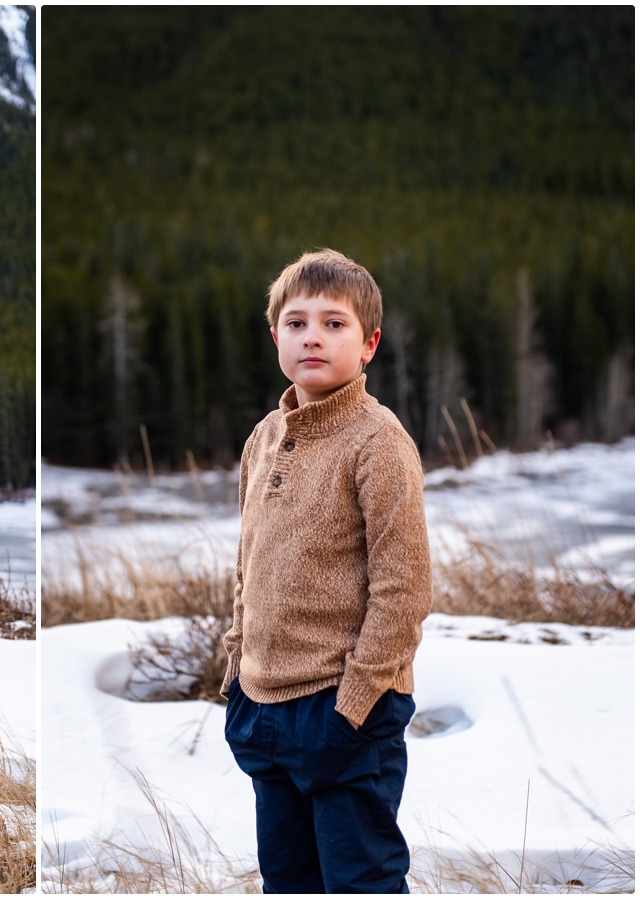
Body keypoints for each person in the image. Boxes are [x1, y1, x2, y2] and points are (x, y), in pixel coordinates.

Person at [221, 249, 431, 893]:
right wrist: (235, 675)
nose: (313, 335)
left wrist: (353, 708)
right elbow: (246, 569)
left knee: (359, 879)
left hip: (344, 710)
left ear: (368, 345)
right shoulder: (264, 438)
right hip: (262, 705)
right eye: (296, 322)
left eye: (334, 324)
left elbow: (405, 592)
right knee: (288, 880)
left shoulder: (378, 442)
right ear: (275, 336)